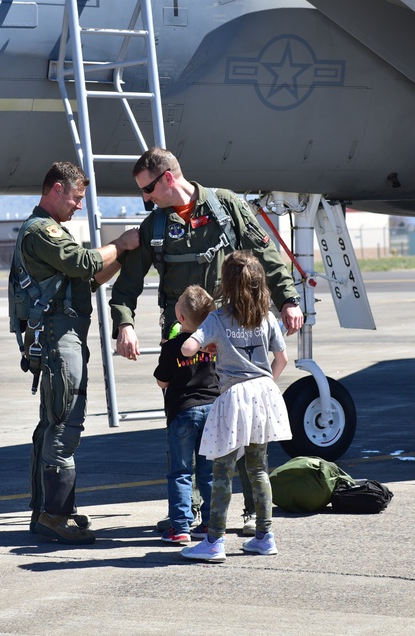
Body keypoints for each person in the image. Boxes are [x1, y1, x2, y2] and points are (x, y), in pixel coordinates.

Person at [109, 147, 303, 533]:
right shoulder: (156, 226)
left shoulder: (225, 206)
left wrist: (289, 299)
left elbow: (264, 253)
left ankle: (251, 510)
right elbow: (127, 283)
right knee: (186, 423)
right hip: (184, 342)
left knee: (240, 427)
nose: (144, 199)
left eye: (147, 189)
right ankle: (192, 512)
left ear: (167, 178)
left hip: (230, 335)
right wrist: (124, 324)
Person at [16, 161, 139, 545]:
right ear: (56, 190)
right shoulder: (43, 232)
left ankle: (48, 512)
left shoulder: (54, 233)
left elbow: (89, 277)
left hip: (63, 337)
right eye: (75, 197)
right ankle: (54, 515)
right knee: (64, 425)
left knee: (53, 423)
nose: (79, 205)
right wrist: (121, 243)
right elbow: (83, 262)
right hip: (58, 339)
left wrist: (124, 257)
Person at [180, 251, 292, 562]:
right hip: (263, 393)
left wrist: (196, 339)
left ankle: (214, 541)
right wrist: (267, 382)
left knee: (223, 471)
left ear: (227, 284)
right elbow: (281, 359)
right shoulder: (267, 317)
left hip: (233, 398)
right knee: (258, 468)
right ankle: (264, 535)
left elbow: (189, 347)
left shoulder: (218, 318)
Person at [153, 285, 220, 545]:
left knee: (181, 471)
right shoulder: (213, 345)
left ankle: (180, 526)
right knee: (209, 471)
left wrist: (167, 350)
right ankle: (213, 522)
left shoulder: (173, 347)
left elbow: (162, 382)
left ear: (180, 318)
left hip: (183, 412)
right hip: (212, 410)